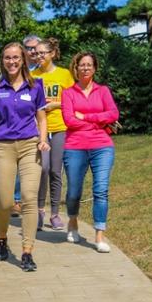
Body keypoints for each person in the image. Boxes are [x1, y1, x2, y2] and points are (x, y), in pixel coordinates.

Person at [0, 42, 50, 272]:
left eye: (16, 57)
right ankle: (2, 237)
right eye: (8, 57)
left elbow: (42, 118)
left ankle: (27, 252)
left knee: (28, 198)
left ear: (24, 59)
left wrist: (43, 139)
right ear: (3, 61)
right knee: (6, 202)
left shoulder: (35, 85)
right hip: (4, 147)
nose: (12, 61)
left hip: (30, 146)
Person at [61, 51, 119, 253]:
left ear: (94, 68)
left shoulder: (103, 91)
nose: (85, 68)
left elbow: (113, 114)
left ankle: (99, 235)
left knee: (101, 190)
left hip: (102, 145)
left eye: (89, 65)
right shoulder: (68, 93)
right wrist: (98, 120)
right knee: (74, 192)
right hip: (75, 147)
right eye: (81, 65)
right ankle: (73, 221)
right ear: (75, 69)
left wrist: (85, 118)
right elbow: (69, 120)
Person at [31, 38, 74, 231]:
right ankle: (39, 211)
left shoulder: (64, 74)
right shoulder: (32, 75)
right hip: (39, 129)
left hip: (59, 127)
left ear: (52, 54)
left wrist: (55, 104)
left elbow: (74, 100)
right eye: (36, 53)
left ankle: (55, 214)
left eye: (42, 53)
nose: (38, 56)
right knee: (43, 169)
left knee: (56, 171)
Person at [11, 34, 42, 217]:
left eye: (35, 48)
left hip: (44, 122)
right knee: (18, 165)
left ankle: (35, 203)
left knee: (42, 167)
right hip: (19, 126)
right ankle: (16, 200)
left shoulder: (43, 69)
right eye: (28, 48)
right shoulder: (15, 69)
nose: (32, 51)